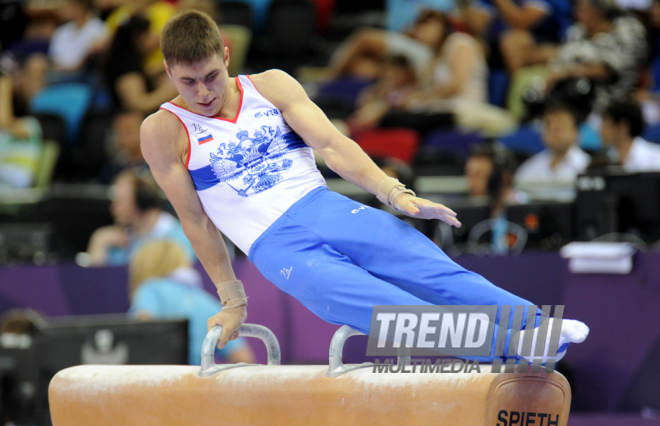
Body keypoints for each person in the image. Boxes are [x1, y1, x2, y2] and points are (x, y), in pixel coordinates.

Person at [140, 10, 589, 362]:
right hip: (276, 246)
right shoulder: (163, 130)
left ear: (225, 54)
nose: (202, 92)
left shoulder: (271, 86)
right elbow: (195, 219)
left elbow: (333, 145)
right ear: (167, 71)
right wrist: (232, 297)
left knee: (426, 267)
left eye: (211, 76)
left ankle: (533, 328)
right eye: (187, 81)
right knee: (392, 313)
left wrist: (393, 192)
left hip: (322, 205)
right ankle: (513, 348)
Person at [128, 239, 255, 365]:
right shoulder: (206, 301)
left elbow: (142, 332)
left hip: (160, 380)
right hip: (196, 382)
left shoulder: (150, 289)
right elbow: (243, 357)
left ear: (142, 266)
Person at [85, 169, 196, 266]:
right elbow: (96, 283)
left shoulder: (181, 239)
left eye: (119, 202)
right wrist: (99, 242)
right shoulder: (121, 242)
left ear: (140, 201)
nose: (113, 209)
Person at [102, 15, 178, 114]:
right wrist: (174, 89)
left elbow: (143, 74)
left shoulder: (129, 58)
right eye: (149, 33)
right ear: (137, 37)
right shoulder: (125, 66)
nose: (156, 37)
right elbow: (138, 104)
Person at [514, 102, 591, 185]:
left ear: (575, 132)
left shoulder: (587, 167)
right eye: (550, 126)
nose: (556, 132)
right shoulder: (530, 168)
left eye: (562, 126)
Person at [600, 99, 660, 171]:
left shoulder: (655, 160)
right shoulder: (608, 159)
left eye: (605, 127)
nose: (601, 131)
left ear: (622, 127)